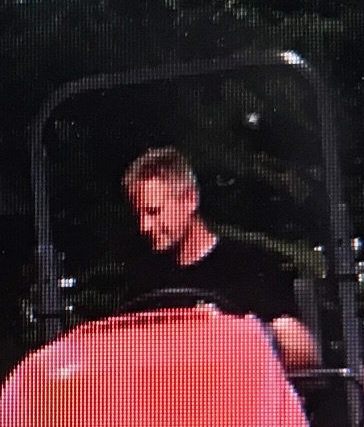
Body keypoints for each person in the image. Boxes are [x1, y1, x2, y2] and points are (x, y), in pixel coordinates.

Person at [121, 147, 320, 370]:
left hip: (234, 394)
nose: (144, 226)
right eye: (139, 216)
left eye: (154, 212)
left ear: (189, 200)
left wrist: (242, 339)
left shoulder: (249, 266)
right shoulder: (144, 284)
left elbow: (301, 349)